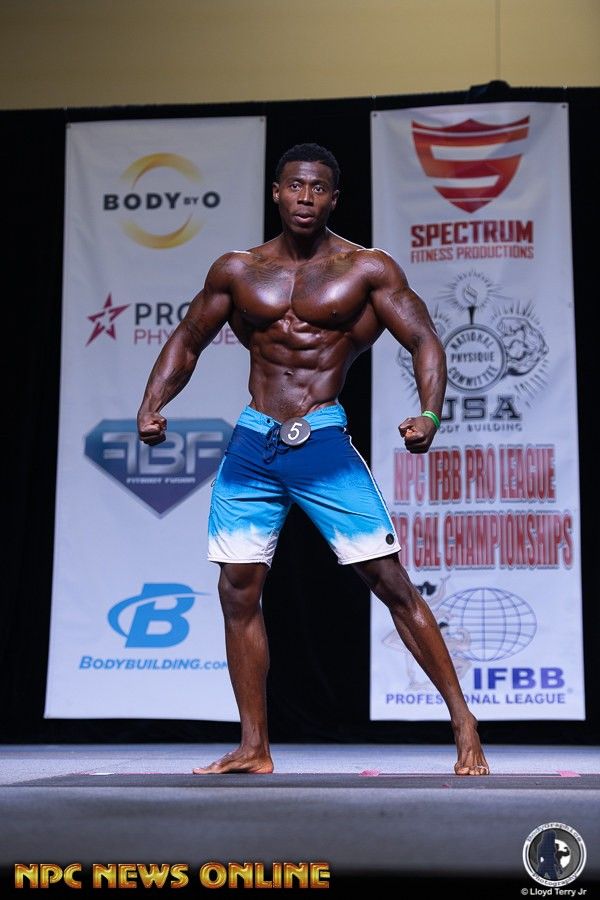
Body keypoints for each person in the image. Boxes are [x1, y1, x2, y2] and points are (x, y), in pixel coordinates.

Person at [137, 142, 490, 776]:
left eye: (319, 188)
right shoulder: (238, 270)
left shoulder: (366, 269)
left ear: (333, 199)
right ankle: (254, 746)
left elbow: (424, 339)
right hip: (253, 442)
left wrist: (431, 414)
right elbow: (188, 338)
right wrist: (152, 403)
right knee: (236, 588)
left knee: (389, 582)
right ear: (276, 192)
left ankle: (463, 721)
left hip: (321, 439)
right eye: (296, 186)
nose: (306, 197)